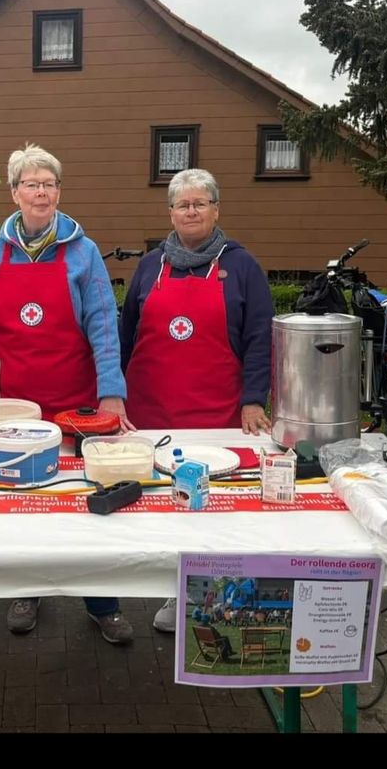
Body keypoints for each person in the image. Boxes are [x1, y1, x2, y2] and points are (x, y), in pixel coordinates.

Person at [0, 143, 134, 645]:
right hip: (11, 406)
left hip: (74, 403)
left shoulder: (82, 253)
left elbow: (105, 325)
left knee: (89, 500)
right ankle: (26, 588)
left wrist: (111, 395)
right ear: (14, 193)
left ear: (59, 191)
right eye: (31, 183)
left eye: (50, 183)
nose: (41, 192)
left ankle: (103, 602)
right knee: (22, 499)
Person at [120, 168, 273, 634]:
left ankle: (198, 598)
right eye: (182, 204)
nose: (190, 211)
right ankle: (160, 585)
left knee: (206, 511)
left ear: (215, 210)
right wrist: (114, 397)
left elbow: (260, 340)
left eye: (199, 203)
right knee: (155, 507)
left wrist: (252, 400)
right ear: (170, 213)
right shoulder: (150, 266)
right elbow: (125, 337)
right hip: (151, 414)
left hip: (216, 417)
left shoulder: (241, 266)